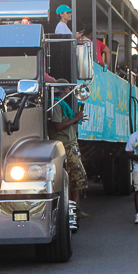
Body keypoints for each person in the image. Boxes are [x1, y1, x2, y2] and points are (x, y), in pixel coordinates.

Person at [48, 80, 87, 219]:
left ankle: (74, 208)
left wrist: (76, 118)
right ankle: (72, 210)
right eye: (67, 89)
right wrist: (75, 118)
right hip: (66, 145)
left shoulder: (62, 104)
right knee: (75, 177)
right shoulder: (56, 104)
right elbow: (58, 126)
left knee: (75, 178)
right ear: (61, 90)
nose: (68, 92)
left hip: (70, 144)